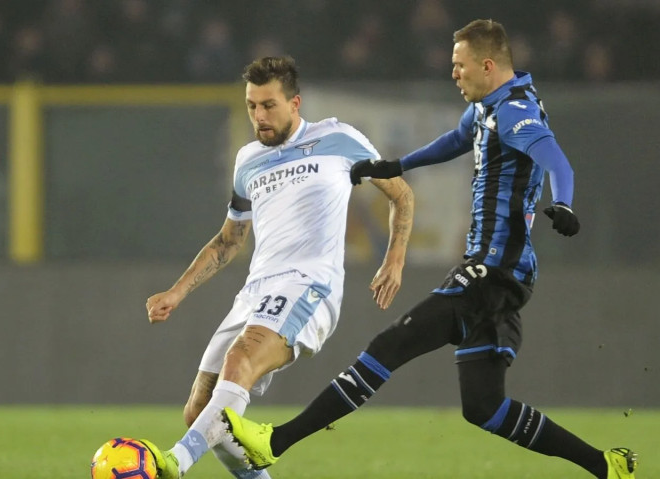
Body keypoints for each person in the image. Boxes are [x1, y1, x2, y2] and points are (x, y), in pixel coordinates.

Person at [222, 19, 638, 479]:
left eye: (459, 66)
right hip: (496, 272)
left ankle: (274, 442)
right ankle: (607, 466)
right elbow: (455, 142)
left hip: (496, 272)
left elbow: (556, 159)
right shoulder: (486, 109)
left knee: (390, 344)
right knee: (485, 408)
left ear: (486, 64)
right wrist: (397, 164)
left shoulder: (516, 112)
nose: (453, 74)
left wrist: (563, 202)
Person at [140, 56, 414, 479]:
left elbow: (401, 196)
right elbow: (230, 240)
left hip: (309, 286)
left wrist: (394, 259)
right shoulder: (248, 160)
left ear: (295, 103)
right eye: (251, 106)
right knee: (199, 410)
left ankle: (174, 463)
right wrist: (176, 291)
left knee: (242, 358)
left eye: (268, 105)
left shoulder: (340, 139)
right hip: (255, 292)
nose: (259, 116)